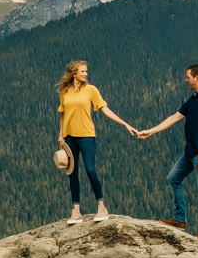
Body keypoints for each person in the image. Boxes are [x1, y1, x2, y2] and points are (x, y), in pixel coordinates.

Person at [136, 63, 198, 241]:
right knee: (173, 178)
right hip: (190, 151)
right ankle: (180, 220)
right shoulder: (194, 98)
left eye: (188, 77)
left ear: (197, 78)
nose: (185, 80)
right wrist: (150, 131)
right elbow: (175, 117)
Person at [56, 60, 139, 225]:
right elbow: (63, 114)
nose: (86, 74)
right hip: (69, 137)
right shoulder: (64, 92)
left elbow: (105, 109)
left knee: (90, 170)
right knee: (72, 174)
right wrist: (61, 135)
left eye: (86, 71)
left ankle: (101, 207)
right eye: (82, 71)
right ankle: (76, 211)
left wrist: (125, 124)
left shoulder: (91, 90)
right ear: (74, 73)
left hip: (86, 135)